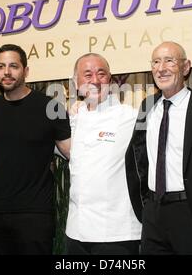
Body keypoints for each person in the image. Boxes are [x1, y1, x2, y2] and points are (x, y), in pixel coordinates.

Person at [125, 42, 192, 254]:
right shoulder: (146, 107)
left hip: (191, 211)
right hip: (153, 211)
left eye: (169, 60)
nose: (161, 68)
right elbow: (137, 156)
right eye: (156, 62)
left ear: (186, 67)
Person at [0, 44, 71, 255]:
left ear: (26, 71)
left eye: (14, 66)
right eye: (1, 66)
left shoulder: (51, 107)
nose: (7, 72)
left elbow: (71, 154)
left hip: (34, 214)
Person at [64, 53, 142, 255]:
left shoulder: (130, 117)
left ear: (110, 79)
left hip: (116, 234)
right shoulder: (73, 118)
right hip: (76, 231)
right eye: (87, 74)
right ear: (76, 82)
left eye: (101, 74)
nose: (95, 81)